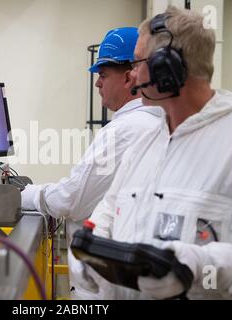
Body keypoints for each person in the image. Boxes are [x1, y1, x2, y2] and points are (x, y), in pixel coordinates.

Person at [88, 6, 232, 299]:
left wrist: (198, 269)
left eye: (138, 62)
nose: (132, 74)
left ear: (167, 68)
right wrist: (91, 256)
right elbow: (109, 210)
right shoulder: (146, 143)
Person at [21, 27, 163, 299]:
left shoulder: (122, 130)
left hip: (103, 288)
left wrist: (21, 194)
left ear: (129, 76)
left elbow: (70, 199)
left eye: (103, 74)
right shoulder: (158, 122)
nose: (97, 83)